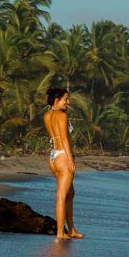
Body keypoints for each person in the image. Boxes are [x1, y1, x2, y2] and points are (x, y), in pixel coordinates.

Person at [43, 87, 83, 239]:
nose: (68, 102)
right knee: (61, 195)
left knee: (70, 193)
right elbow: (65, 139)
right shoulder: (61, 116)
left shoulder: (47, 115)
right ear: (56, 100)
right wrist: (71, 159)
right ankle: (60, 232)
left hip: (53, 156)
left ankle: (71, 229)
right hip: (63, 157)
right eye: (65, 99)